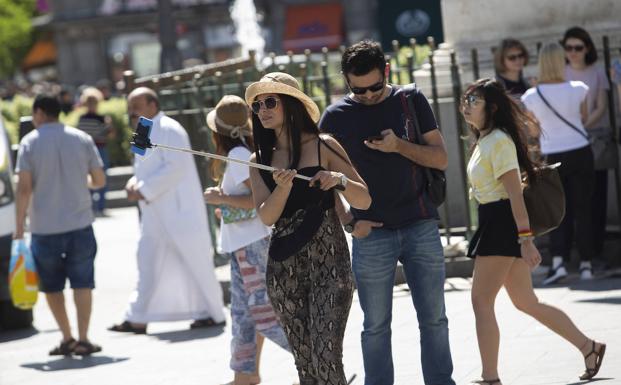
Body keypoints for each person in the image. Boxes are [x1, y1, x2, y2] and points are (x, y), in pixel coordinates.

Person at [319, 40, 455, 385]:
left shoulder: (410, 100)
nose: (366, 95)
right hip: (371, 232)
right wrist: (350, 221)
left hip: (420, 224)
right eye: (357, 89)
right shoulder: (335, 117)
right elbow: (321, 181)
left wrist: (399, 146)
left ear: (387, 72)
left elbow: (441, 158)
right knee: (375, 326)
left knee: (434, 319)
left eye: (375, 87)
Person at [462, 77, 606, 385]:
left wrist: (526, 240)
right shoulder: (485, 140)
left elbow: (515, 194)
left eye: (474, 101)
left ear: (493, 107)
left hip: (500, 223)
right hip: (496, 221)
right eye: (466, 101)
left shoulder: (498, 141)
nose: (467, 106)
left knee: (480, 301)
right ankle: (589, 347)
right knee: (526, 302)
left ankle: (490, 377)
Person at [246, 72, 371, 385]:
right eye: (258, 105)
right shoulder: (258, 160)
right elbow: (266, 216)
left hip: (330, 263)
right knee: (307, 367)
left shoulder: (323, 145)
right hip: (284, 268)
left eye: (270, 101)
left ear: (291, 105)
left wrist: (339, 181)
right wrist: (283, 187)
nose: (263, 109)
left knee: (326, 358)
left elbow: (365, 199)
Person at [108, 87, 225, 334]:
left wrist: (143, 189)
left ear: (152, 104)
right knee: (146, 260)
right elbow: (139, 166)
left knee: (196, 262)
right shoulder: (143, 129)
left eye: (136, 107)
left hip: (178, 211)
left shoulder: (170, 129)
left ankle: (212, 313)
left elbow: (176, 167)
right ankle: (136, 317)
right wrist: (133, 184)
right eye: (130, 109)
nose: (132, 113)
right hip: (155, 213)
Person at [203, 95, 290, 385]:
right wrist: (226, 206)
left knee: (264, 312)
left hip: (252, 244)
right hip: (243, 243)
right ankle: (245, 373)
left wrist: (221, 197)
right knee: (243, 314)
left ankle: (313, 361)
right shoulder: (242, 153)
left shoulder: (238, 156)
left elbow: (255, 201)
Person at [14, 94, 106, 355]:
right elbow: (99, 180)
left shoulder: (29, 143)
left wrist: (20, 227)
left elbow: (23, 189)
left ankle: (66, 337)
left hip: (45, 228)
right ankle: (85, 339)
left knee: (52, 286)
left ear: (40, 113)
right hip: (80, 223)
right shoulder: (81, 138)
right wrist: (82, 185)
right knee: (83, 283)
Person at [521, 42, 596, 285]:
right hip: (580, 149)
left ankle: (558, 262)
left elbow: (533, 130)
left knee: (554, 210)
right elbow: (583, 118)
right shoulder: (578, 88)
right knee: (584, 208)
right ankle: (586, 264)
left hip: (552, 154)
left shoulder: (532, 96)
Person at [562, 27, 611, 269]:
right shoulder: (561, 72)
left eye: (578, 47)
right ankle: (576, 253)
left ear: (587, 48)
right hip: (568, 140)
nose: (573, 52)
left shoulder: (597, 72)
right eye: (568, 47)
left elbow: (601, 106)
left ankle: (597, 251)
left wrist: (583, 125)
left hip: (594, 138)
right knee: (572, 201)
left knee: (597, 198)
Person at [77, 87, 114, 215]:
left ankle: (95, 207)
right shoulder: (101, 119)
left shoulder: (82, 119)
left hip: (88, 151)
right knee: (100, 176)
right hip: (99, 149)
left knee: (92, 177)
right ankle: (99, 206)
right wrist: (108, 126)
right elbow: (109, 135)